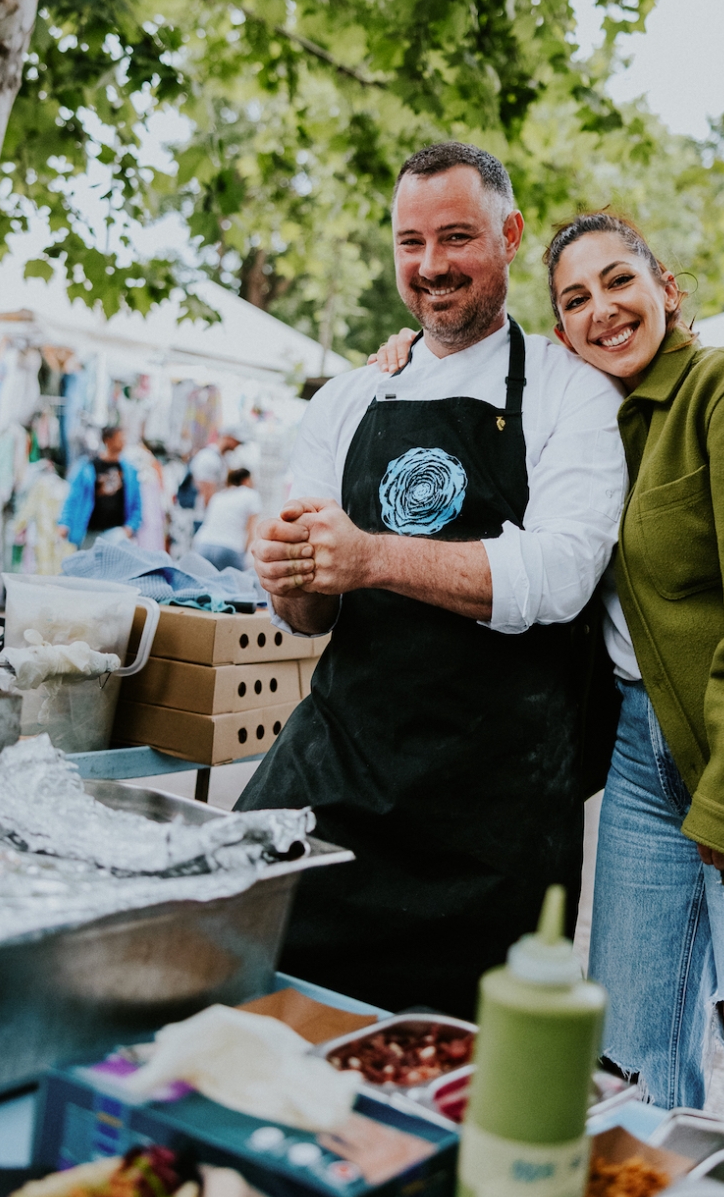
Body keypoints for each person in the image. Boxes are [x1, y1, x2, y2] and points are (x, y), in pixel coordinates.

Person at [375, 212, 724, 1112]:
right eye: (575, 299)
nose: (603, 311)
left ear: (667, 287)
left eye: (620, 282)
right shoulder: (604, 420)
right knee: (625, 1065)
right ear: (563, 329)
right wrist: (417, 357)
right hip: (644, 765)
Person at [236, 142, 626, 1018]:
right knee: (248, 999)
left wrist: (371, 555)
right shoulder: (345, 399)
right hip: (340, 782)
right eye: (410, 243)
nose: (431, 267)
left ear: (510, 234)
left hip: (490, 820)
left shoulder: (573, 395)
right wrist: (287, 575)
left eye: (456, 238)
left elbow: (559, 576)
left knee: (449, 1073)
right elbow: (307, 616)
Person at [57, 425, 143, 550]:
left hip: (117, 532)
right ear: (108, 440)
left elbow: (137, 501)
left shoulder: (129, 470)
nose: (123, 442)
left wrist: (130, 528)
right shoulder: (87, 467)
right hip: (89, 533)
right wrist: (64, 524)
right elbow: (72, 498)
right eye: (120, 438)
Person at [193, 468, 261, 572]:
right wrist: (243, 554)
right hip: (230, 547)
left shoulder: (219, 495)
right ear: (245, 481)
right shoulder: (251, 495)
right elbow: (251, 531)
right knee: (237, 585)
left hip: (203, 544)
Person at [190, 427, 242, 511]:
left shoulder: (222, 459)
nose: (238, 445)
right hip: (201, 515)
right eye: (237, 441)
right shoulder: (209, 457)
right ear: (228, 437)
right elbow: (207, 494)